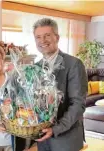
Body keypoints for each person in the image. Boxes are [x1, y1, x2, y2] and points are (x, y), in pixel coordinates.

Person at [31, 18, 88, 151]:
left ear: (57, 37)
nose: (42, 40)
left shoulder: (74, 64)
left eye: (47, 35)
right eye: (38, 37)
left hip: (66, 140)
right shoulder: (35, 68)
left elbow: (78, 104)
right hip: (43, 139)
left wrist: (55, 129)